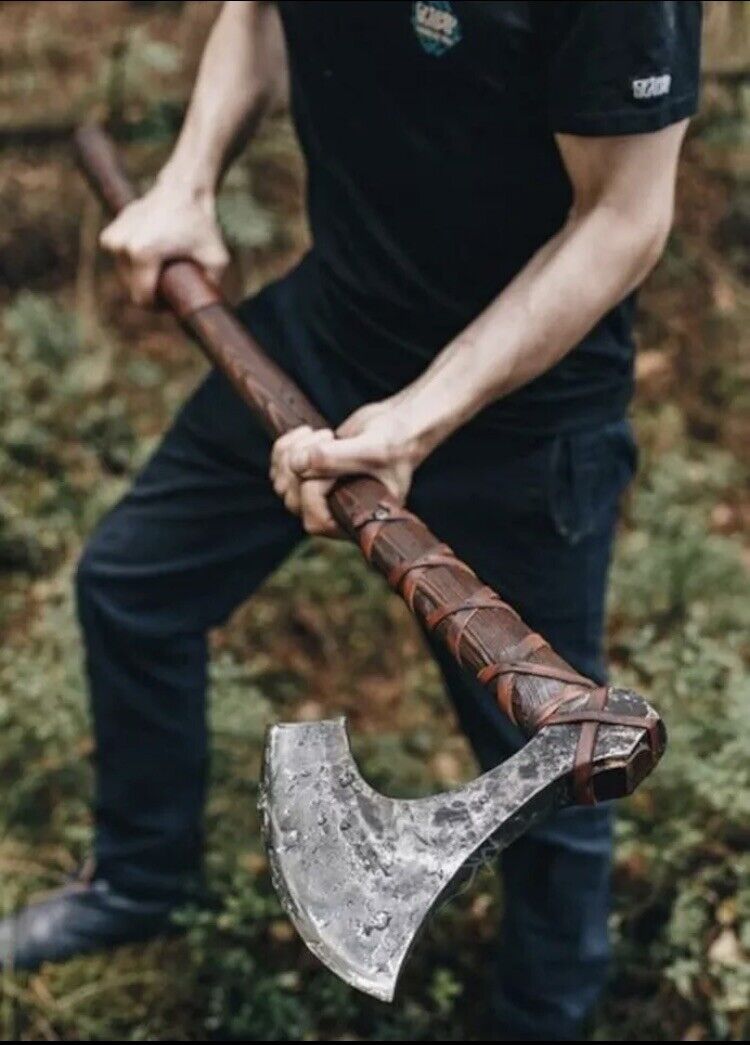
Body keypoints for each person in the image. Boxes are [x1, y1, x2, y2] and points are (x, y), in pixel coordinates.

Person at [0, 2, 701, 1038]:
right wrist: (191, 182)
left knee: (544, 766)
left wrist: (422, 416)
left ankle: (542, 1013)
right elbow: (258, 12)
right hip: (324, 335)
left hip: (523, 411)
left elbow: (625, 218)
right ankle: (140, 881)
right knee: (131, 589)